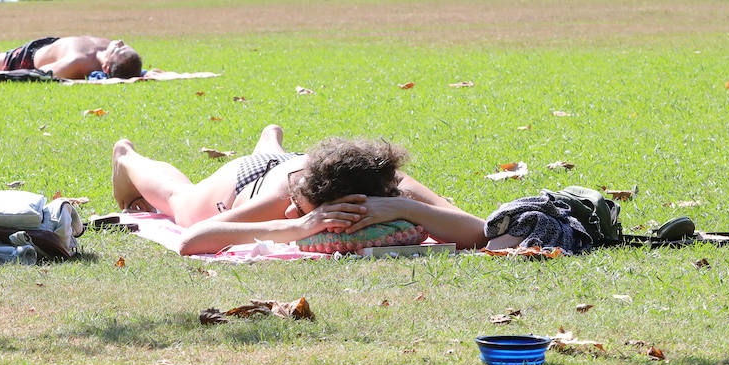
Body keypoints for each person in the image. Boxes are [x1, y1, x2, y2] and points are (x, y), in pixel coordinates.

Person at [110, 125, 486, 255]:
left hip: (300, 164)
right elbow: (192, 239)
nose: (293, 211)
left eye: (298, 209)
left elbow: (478, 230)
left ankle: (270, 140)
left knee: (280, 158)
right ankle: (126, 156)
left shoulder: (394, 186)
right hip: (251, 178)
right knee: (181, 202)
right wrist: (301, 225)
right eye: (298, 205)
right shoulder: (285, 198)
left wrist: (408, 210)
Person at [0, 36, 143, 81]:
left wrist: (1, 74)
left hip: (26, 59)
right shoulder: (106, 48)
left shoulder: (79, 61)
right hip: (44, 44)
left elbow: (43, 74)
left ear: (105, 66)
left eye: (120, 50)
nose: (120, 43)